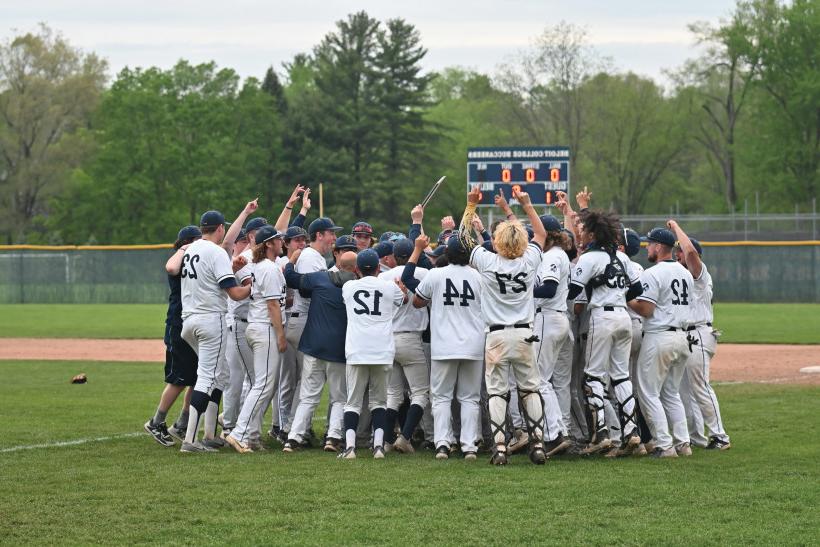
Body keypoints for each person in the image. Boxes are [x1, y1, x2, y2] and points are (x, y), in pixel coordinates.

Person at [467, 185, 548, 465]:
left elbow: (466, 241)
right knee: (530, 389)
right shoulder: (530, 260)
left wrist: (471, 205)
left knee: (498, 392)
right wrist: (525, 204)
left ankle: (500, 447)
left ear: (497, 241)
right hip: (525, 333)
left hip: (497, 335)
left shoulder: (488, 261)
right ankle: (537, 444)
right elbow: (541, 234)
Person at [567, 209, 644, 456]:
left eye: (584, 230)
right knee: (621, 377)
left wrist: (594, 284)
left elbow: (572, 291)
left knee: (592, 377)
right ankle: (632, 433)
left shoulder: (589, 258)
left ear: (592, 233)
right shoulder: (623, 260)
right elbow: (636, 291)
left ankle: (600, 434)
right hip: (624, 317)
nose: (581, 233)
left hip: (602, 316)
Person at [179, 208, 253, 453]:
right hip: (211, 320)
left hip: (189, 320)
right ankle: (190, 440)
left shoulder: (192, 249)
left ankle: (209, 434)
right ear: (220, 228)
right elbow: (234, 293)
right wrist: (253, 286)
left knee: (219, 374)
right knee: (208, 377)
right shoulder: (216, 252)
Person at [405, 235, 485, 460]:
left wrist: (436, 299)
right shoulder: (478, 276)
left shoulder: (436, 274)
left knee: (441, 397)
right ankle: (469, 446)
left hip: (444, 344)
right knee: (470, 398)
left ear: (447, 253)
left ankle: (442, 444)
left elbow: (417, 301)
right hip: (473, 344)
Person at [281, 250, 358, 453]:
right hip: (339, 349)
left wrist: (291, 260)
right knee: (339, 397)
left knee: (308, 396)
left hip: (314, 346)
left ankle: (293, 438)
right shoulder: (357, 287)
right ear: (355, 268)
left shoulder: (321, 278)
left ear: (338, 264)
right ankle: (332, 437)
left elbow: (291, 278)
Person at [628, 227, 694, 458]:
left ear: (658, 247)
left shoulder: (653, 273)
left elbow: (646, 309)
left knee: (648, 392)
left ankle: (664, 445)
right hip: (682, 337)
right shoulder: (685, 272)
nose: (647, 247)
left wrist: (627, 299)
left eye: (650, 244)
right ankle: (683, 443)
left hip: (660, 336)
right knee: (671, 393)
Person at [668, 220, 731, 450]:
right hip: (686, 335)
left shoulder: (700, 275)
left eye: (680, 254)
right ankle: (696, 437)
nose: (679, 257)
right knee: (685, 390)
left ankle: (720, 435)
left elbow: (692, 252)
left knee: (700, 386)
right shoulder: (680, 276)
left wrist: (675, 228)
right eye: (677, 254)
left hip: (700, 334)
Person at [339, 249, 407, 459]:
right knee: (379, 401)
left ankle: (350, 448)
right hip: (382, 350)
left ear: (357, 269)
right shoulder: (388, 287)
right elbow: (402, 299)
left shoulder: (349, 286)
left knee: (353, 402)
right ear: (379, 268)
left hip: (357, 349)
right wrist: (401, 290)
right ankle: (378, 446)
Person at [225, 225, 287, 453]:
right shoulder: (268, 269)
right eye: (278, 239)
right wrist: (280, 335)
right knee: (262, 385)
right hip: (265, 329)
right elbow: (272, 305)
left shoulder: (261, 266)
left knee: (262, 385)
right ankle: (239, 433)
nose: (282, 242)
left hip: (257, 327)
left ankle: (249, 435)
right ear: (269, 244)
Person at [282, 217, 343, 439]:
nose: (334, 238)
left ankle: (294, 428)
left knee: (305, 381)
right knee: (307, 382)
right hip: (303, 320)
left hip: (307, 320)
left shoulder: (315, 257)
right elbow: (306, 290)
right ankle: (291, 428)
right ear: (319, 235)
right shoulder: (309, 257)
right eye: (331, 233)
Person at [144, 225, 202, 446]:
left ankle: (182, 423)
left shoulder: (196, 258)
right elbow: (170, 267)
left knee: (197, 377)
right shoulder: (181, 258)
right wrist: (183, 249)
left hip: (191, 323)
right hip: (178, 325)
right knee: (178, 378)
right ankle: (156, 421)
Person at [378, 238, 430, 454]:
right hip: (411, 338)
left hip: (388, 338)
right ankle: (405, 437)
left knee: (393, 394)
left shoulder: (382, 277)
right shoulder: (423, 274)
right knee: (420, 393)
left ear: (393, 256)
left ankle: (386, 440)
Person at [532, 214, 574, 456]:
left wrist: (522, 288)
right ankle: (558, 431)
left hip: (548, 317)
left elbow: (548, 288)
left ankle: (554, 435)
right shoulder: (558, 255)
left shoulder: (552, 256)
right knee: (544, 379)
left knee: (538, 380)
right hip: (555, 318)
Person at [222, 216, 268, 440]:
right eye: (260, 232)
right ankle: (232, 426)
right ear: (251, 236)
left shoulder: (261, 259)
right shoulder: (245, 259)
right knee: (241, 380)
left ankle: (235, 424)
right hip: (239, 324)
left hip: (249, 324)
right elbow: (242, 292)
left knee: (246, 379)